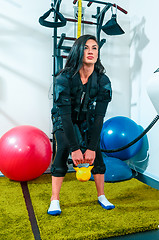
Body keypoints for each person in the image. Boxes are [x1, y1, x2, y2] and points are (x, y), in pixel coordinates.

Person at [48, 34, 114, 216]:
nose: (91, 51)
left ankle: (101, 195)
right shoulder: (64, 79)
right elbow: (66, 116)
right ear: (78, 51)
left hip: (88, 118)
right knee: (63, 148)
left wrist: (91, 148)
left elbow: (100, 117)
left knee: (97, 151)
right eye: (86, 48)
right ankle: (55, 199)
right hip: (64, 118)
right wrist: (75, 149)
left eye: (94, 48)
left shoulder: (103, 81)